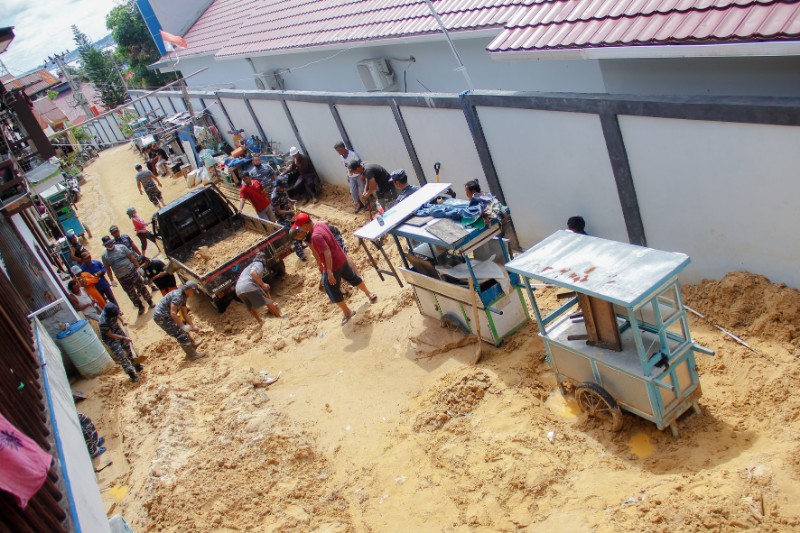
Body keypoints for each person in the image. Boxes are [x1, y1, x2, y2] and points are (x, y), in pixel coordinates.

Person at [292, 213, 376, 325]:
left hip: (333, 264)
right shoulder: (320, 224)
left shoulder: (315, 236)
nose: (300, 228)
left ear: (305, 225)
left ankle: (347, 312)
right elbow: (325, 222)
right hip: (341, 257)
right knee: (352, 277)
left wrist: (329, 271)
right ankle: (369, 294)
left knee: (331, 289)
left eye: (301, 226)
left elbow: (327, 253)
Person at [152, 281, 206, 360]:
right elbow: (173, 313)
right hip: (161, 317)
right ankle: (193, 355)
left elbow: (185, 314)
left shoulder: (184, 296)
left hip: (166, 315)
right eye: (193, 291)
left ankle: (192, 345)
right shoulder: (178, 296)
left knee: (182, 329)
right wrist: (183, 326)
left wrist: (193, 327)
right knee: (180, 333)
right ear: (189, 289)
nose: (194, 293)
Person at [101, 235, 153, 315]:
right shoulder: (104, 256)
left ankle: (150, 301)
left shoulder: (122, 247)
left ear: (112, 242)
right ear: (105, 245)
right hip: (121, 277)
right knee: (131, 293)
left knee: (141, 287)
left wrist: (138, 268)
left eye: (110, 243)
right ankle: (140, 306)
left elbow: (132, 258)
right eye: (107, 244)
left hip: (131, 271)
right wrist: (111, 280)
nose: (109, 245)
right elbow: (108, 268)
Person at [98, 302, 143, 382]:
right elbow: (110, 334)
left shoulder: (112, 309)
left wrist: (122, 320)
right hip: (110, 338)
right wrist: (123, 337)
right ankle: (131, 374)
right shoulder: (103, 322)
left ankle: (137, 365)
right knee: (121, 354)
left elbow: (117, 314)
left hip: (116, 330)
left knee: (128, 347)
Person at [235, 253, 284, 322]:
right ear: (264, 260)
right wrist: (263, 285)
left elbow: (255, 282)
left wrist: (263, 288)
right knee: (267, 302)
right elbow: (253, 273)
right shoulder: (258, 263)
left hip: (238, 289)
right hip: (248, 285)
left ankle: (259, 321)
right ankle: (279, 318)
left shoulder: (248, 267)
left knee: (250, 306)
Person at [271, 177, 306, 260]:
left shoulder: (283, 190)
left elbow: (286, 198)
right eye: (282, 187)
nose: (284, 188)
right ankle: (301, 254)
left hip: (289, 214)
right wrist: (290, 212)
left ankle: (301, 244)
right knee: (293, 234)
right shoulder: (274, 197)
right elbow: (278, 211)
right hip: (282, 218)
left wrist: (291, 201)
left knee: (298, 229)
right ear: (278, 186)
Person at [334, 142, 363, 211]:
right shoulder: (341, 157)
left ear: (343, 148)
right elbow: (346, 166)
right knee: (353, 191)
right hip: (351, 176)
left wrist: (362, 174)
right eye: (337, 151)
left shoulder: (352, 154)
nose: (338, 152)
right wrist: (348, 176)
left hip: (358, 175)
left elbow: (359, 164)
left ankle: (369, 203)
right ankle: (360, 204)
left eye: (339, 150)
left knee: (363, 189)